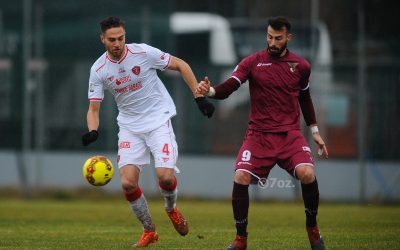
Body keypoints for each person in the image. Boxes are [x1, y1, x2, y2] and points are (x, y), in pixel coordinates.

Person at [82, 16, 215, 248]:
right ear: (102, 39)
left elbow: (181, 65)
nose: (117, 43)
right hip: (130, 128)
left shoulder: (143, 53)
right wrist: (92, 130)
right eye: (112, 39)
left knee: (165, 176)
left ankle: (171, 209)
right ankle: (149, 231)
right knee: (128, 184)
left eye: (121, 38)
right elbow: (93, 108)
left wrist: (199, 96)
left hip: (157, 120)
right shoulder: (99, 69)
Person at [196, 16, 328, 250]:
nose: (273, 42)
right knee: (241, 177)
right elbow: (231, 86)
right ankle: (240, 239)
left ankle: (313, 229)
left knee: (307, 174)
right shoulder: (252, 62)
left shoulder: (301, 66)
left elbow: (305, 98)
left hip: (290, 135)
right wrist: (212, 90)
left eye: (278, 38)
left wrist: (314, 131)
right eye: (269, 37)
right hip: (258, 136)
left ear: (288, 37)